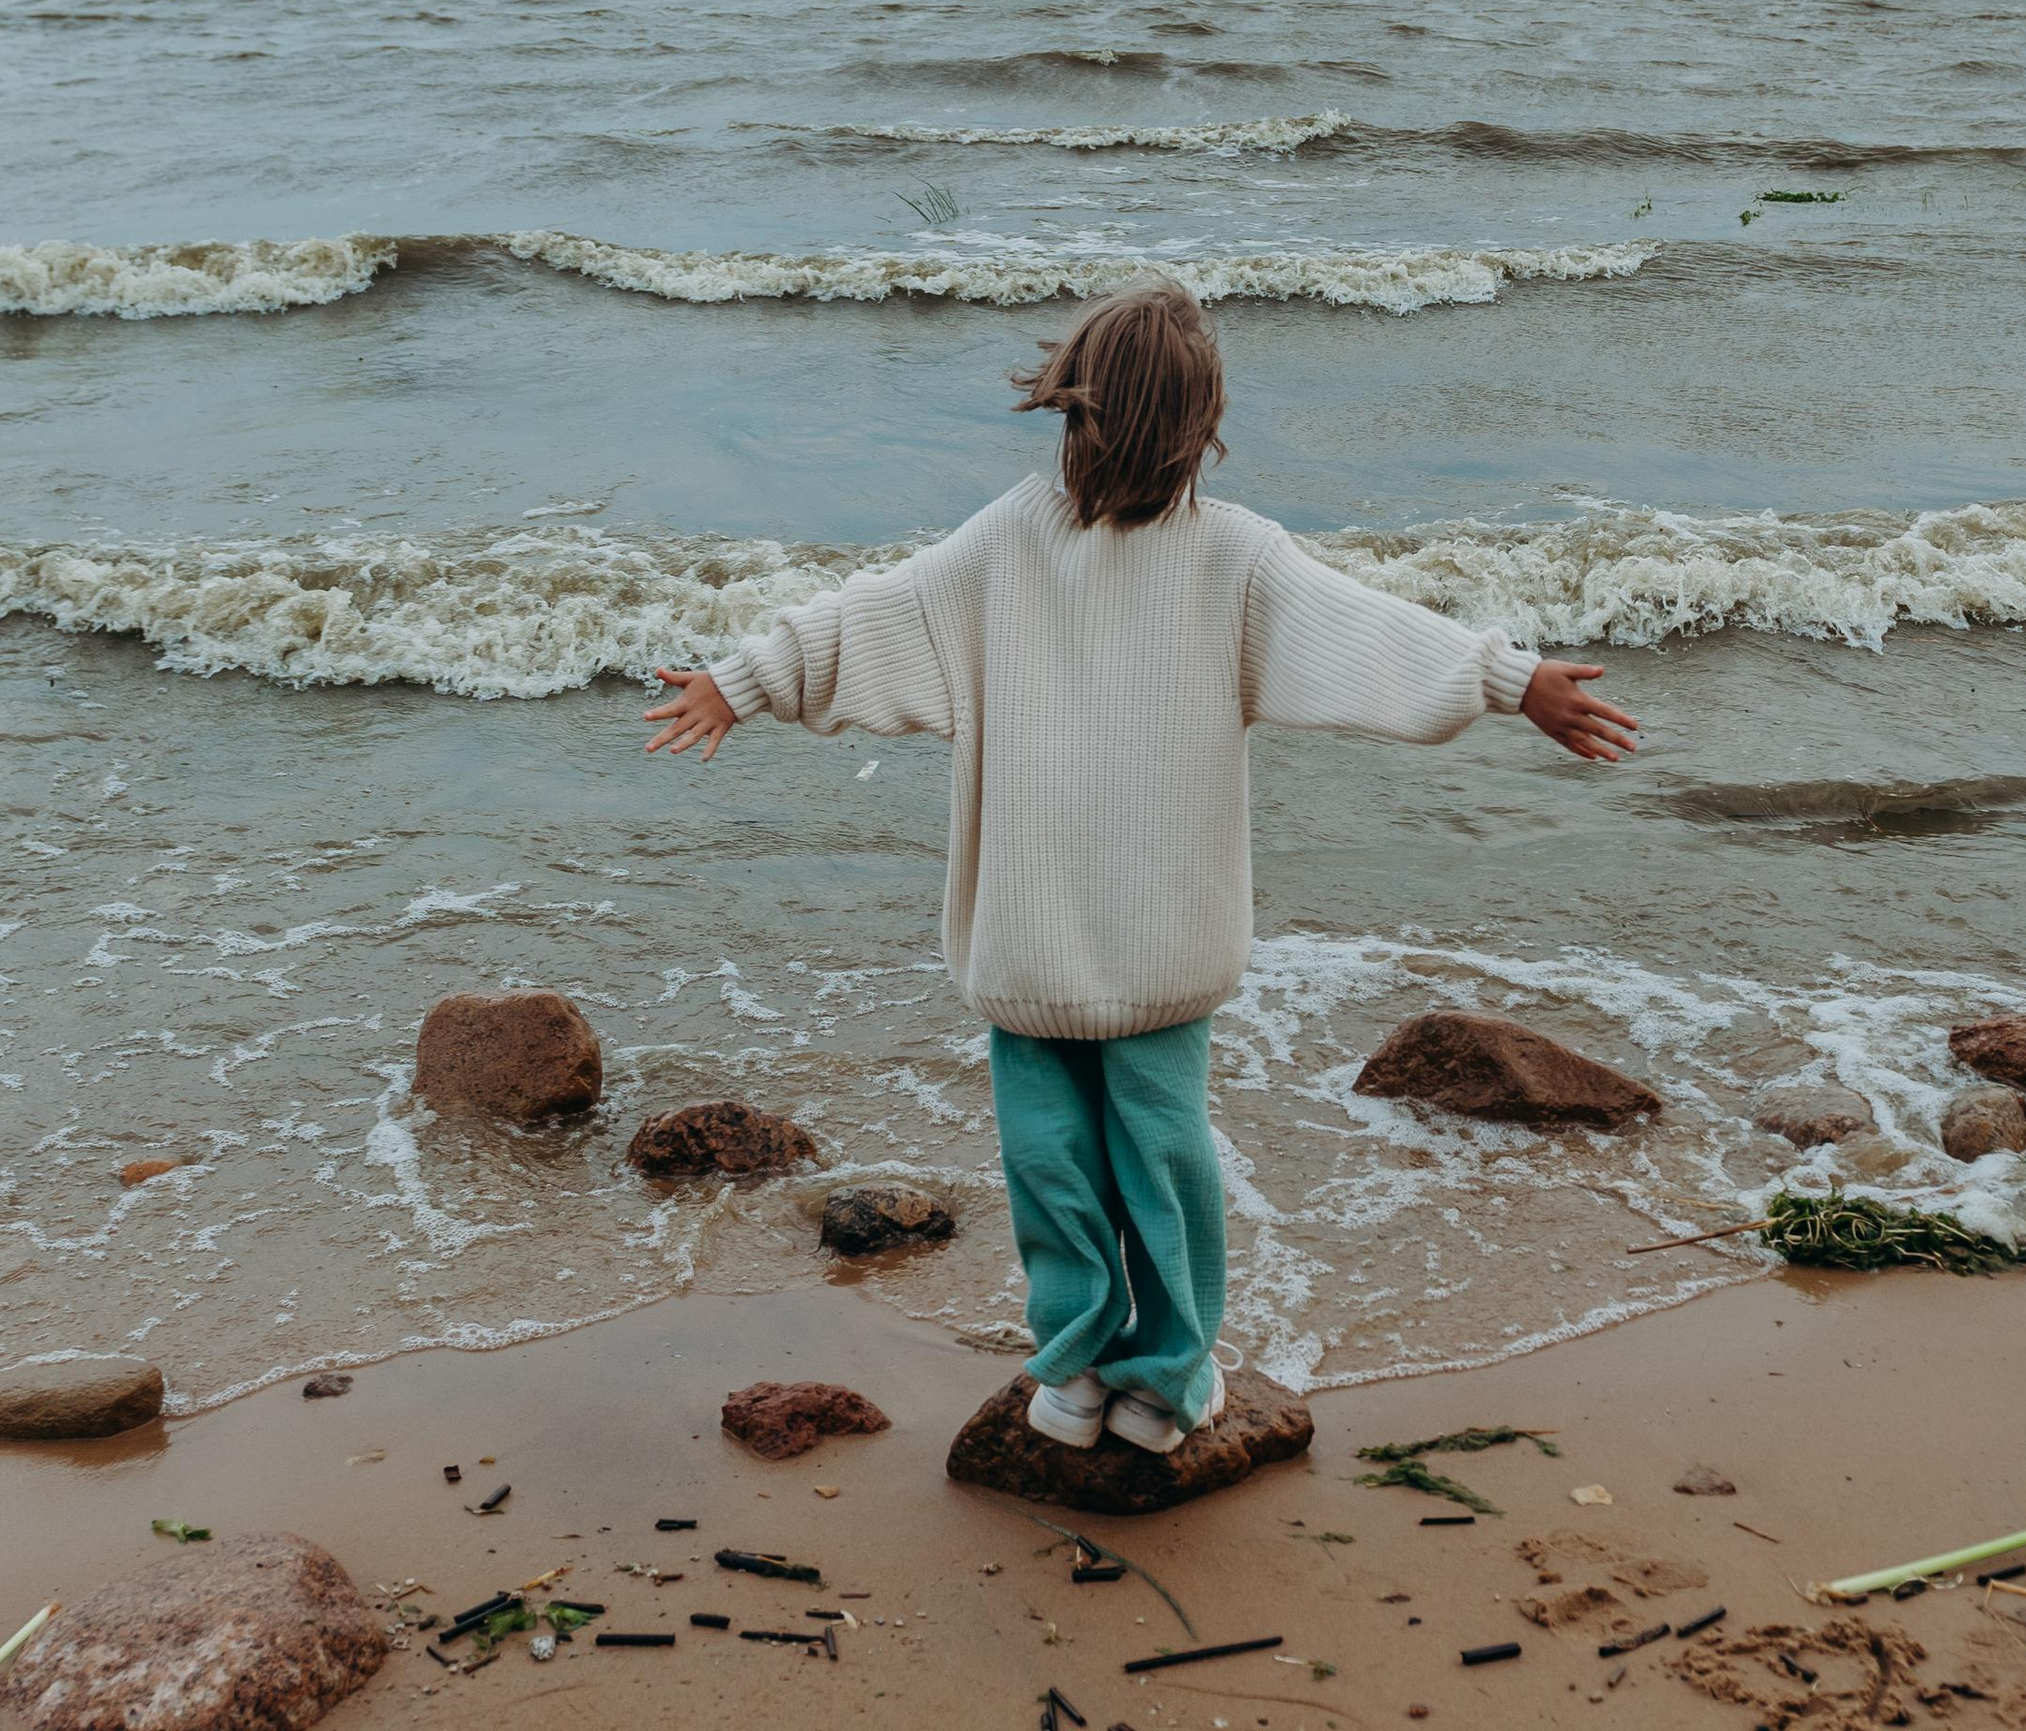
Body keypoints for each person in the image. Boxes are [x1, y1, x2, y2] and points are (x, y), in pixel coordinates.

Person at [645, 285, 1637, 1456]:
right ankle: (1087, 1364)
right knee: (1065, 1164)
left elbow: (1362, 629)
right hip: (1041, 941)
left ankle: (1159, 1369)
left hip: (1148, 943)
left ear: (1077, 409)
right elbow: (878, 616)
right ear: (1193, 428)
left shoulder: (1233, 559)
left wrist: (1505, 678)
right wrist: (745, 681)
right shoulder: (1007, 544)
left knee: (1130, 1163)